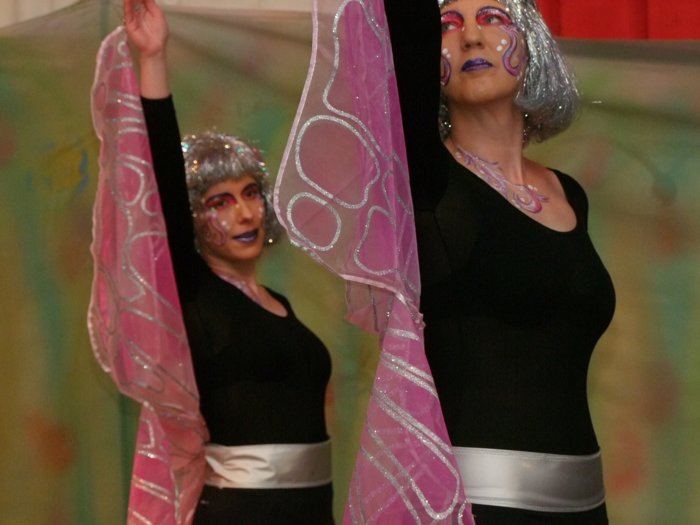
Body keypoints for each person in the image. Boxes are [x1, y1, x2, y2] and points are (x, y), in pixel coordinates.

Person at [93, 0, 334, 523]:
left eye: (250, 194)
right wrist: (153, 58)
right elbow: (160, 178)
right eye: (218, 202)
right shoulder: (196, 293)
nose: (244, 213)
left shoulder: (280, 303)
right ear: (192, 218)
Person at [382, 0, 616, 523]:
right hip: (477, 507)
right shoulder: (428, 184)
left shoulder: (569, 193)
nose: (470, 37)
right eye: (447, 24)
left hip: (586, 503)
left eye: (492, 18)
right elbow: (404, 33)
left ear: (529, 44)